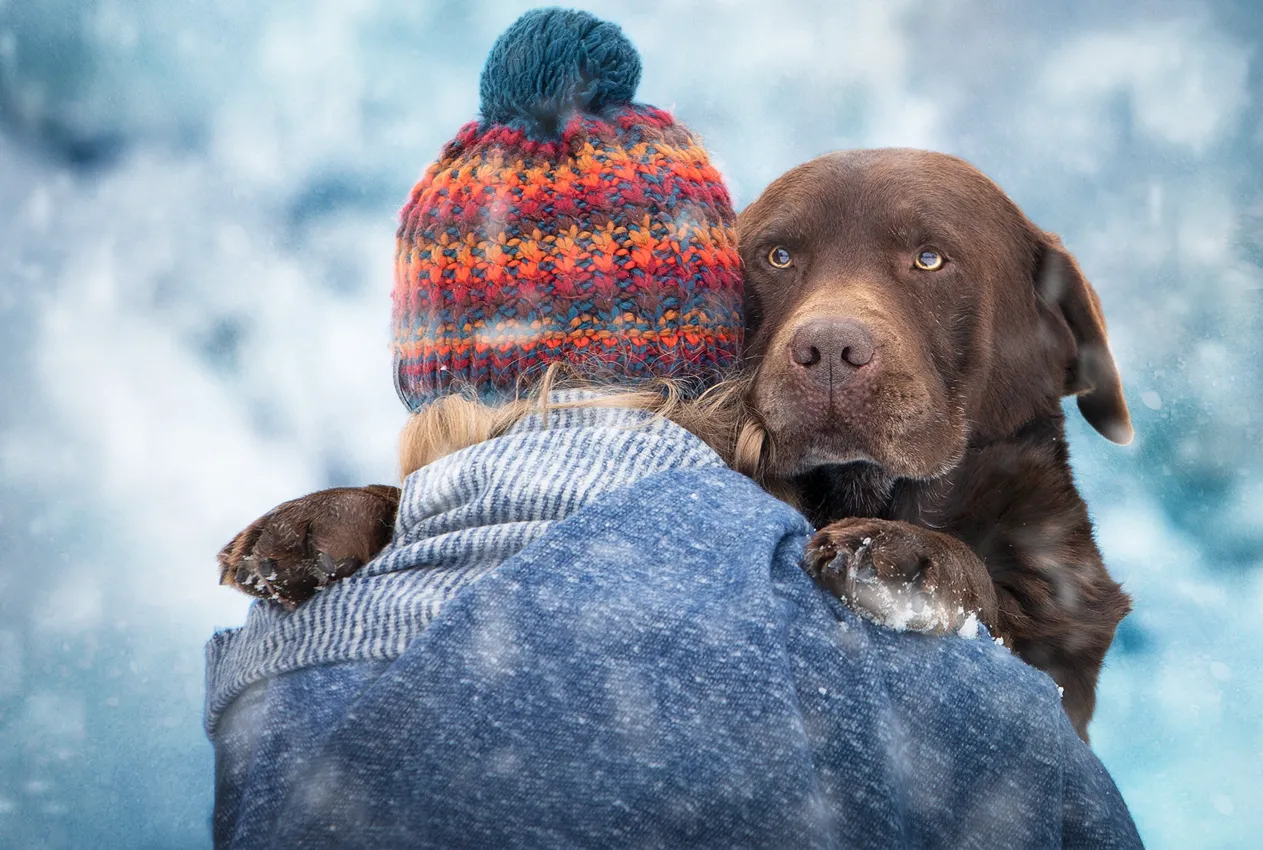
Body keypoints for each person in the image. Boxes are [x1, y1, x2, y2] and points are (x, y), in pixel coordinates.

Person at [205, 9, 1143, 849]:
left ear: (1059, 342)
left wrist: (960, 584)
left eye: (929, 259)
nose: (830, 328)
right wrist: (388, 521)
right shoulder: (906, 706)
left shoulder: (276, 676)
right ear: (720, 343)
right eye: (779, 259)